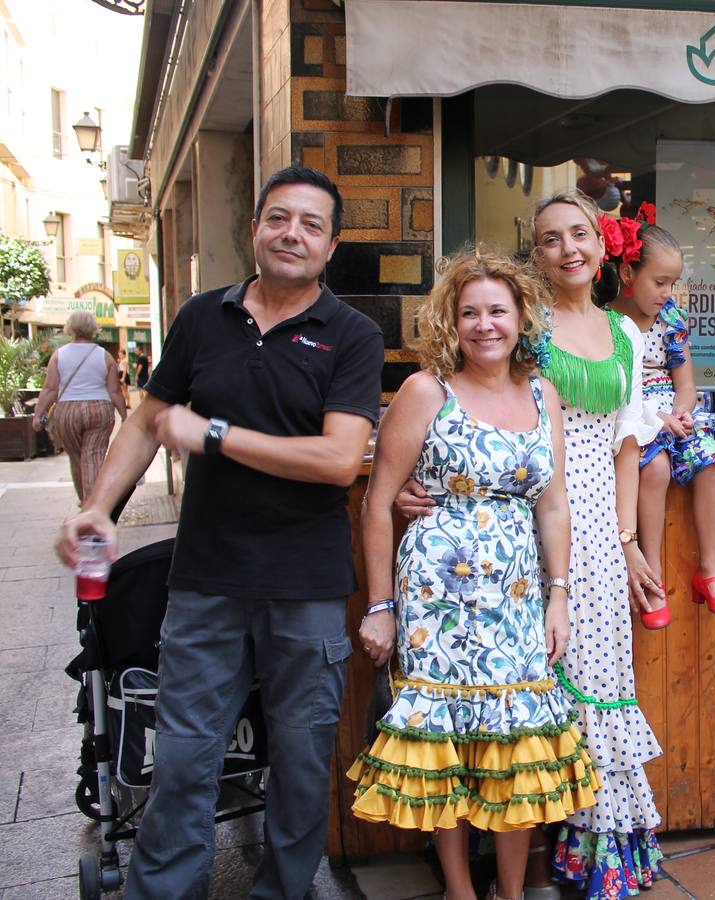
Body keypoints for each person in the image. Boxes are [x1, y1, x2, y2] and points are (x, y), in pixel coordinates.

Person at [54, 165, 384, 900]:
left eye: (310, 224)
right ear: (256, 227)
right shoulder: (203, 316)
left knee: (299, 767)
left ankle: (283, 892)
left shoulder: (352, 334)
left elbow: (336, 461)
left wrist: (215, 435)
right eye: (278, 218)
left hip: (305, 587)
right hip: (205, 579)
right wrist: (97, 510)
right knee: (183, 760)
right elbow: (147, 421)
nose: (291, 233)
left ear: (331, 245)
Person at [399, 190, 666, 899]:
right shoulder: (521, 324)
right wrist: (412, 485)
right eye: (550, 239)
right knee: (532, 699)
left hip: (598, 530)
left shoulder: (628, 335)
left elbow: (629, 445)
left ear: (604, 245)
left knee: (595, 689)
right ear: (536, 255)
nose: (568, 248)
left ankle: (579, 858)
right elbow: (470, 417)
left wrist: (630, 538)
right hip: (526, 518)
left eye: (579, 234)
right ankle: (522, 864)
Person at [349, 248, 597, 900]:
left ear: (520, 317)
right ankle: (462, 892)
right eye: (469, 313)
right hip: (439, 600)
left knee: (515, 749)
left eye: (497, 310)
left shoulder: (543, 393)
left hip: (517, 600)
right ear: (450, 321)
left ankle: (509, 892)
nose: (485, 324)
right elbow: (378, 502)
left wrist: (559, 596)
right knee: (449, 749)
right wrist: (379, 605)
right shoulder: (427, 390)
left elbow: (553, 503)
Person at [609, 214, 715, 626]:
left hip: (674, 412)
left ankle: (710, 572)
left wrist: (681, 412)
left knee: (708, 459)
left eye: (673, 283)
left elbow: (687, 384)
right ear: (628, 272)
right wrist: (657, 419)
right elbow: (619, 390)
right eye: (659, 282)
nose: (667, 292)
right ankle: (651, 577)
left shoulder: (671, 320)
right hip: (632, 414)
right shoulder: (607, 323)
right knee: (654, 468)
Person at [31, 310, 126, 504]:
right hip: (99, 410)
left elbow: (50, 388)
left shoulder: (59, 356)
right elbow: (115, 392)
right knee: (93, 457)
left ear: (70, 328)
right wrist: (125, 416)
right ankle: (94, 507)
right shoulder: (105, 356)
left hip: (67, 411)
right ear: (93, 329)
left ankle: (85, 502)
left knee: (77, 458)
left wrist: (38, 414)